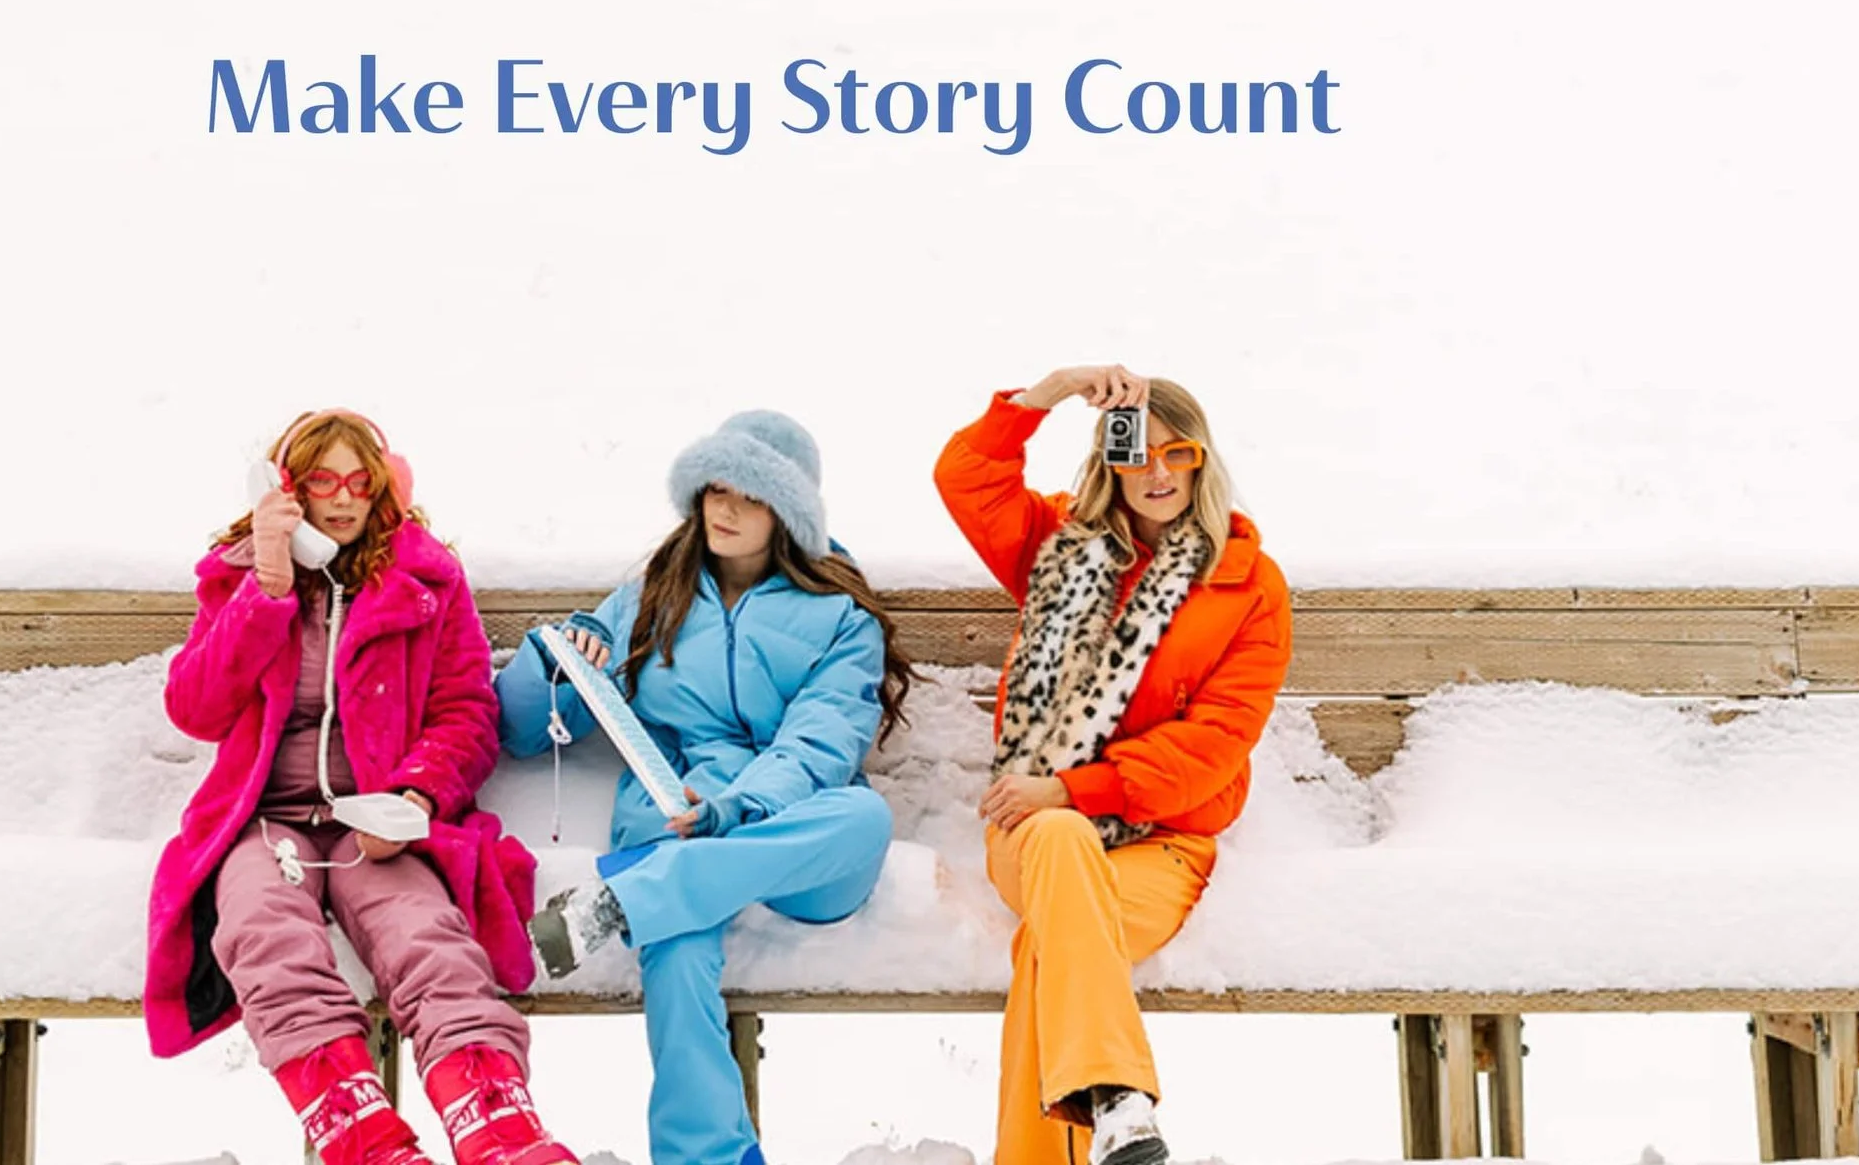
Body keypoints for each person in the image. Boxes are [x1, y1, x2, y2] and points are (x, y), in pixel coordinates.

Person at [144, 409, 576, 1165]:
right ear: (287, 489)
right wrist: (268, 587)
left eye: (359, 482)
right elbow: (195, 708)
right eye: (323, 482)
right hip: (266, 822)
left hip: (378, 822)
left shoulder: (425, 580)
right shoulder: (243, 576)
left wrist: (416, 797)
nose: (343, 499)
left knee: (426, 941)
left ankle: (502, 1136)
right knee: (265, 935)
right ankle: (364, 1141)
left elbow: (466, 712)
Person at [494, 410, 913, 1165]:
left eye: (750, 495)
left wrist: (737, 809)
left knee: (863, 817)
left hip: (790, 841)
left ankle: (627, 899)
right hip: (671, 820)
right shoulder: (653, 597)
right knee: (677, 946)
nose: (726, 508)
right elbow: (521, 730)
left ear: (788, 513)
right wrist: (559, 659)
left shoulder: (840, 619)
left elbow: (818, 745)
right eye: (717, 488)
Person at [934, 366, 1293, 1165]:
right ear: (1109, 460)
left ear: (1202, 460)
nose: (1157, 472)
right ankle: (1120, 1100)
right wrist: (1053, 392)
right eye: (1135, 452)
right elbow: (966, 478)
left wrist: (1071, 787)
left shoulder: (1248, 586)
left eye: (1178, 453)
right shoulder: (1058, 546)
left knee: (1050, 947)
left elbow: (1214, 746)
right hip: (1029, 830)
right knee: (1060, 842)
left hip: (1161, 844)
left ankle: (1096, 1119)